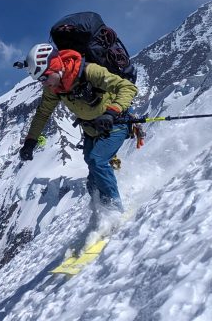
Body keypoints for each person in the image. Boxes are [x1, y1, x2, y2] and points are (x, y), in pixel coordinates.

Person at [17, 42, 138, 214]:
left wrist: (112, 112)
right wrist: (30, 141)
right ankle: (101, 214)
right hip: (91, 130)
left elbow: (127, 87)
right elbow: (43, 113)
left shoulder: (89, 71)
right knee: (93, 180)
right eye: (40, 80)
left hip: (116, 123)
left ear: (55, 67)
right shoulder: (55, 88)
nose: (43, 84)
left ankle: (115, 211)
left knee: (97, 161)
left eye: (44, 78)